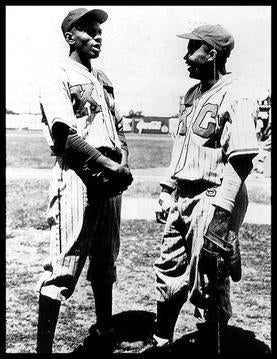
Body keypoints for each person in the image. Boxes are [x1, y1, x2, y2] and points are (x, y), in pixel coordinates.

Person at [142, 24, 259, 353]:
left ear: (212, 54)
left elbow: (242, 159)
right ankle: (161, 341)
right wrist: (167, 189)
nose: (186, 56)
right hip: (183, 196)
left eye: (193, 48)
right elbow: (180, 148)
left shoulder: (236, 92)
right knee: (167, 270)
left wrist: (221, 219)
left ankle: (213, 345)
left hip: (213, 197)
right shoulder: (192, 94)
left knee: (209, 279)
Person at [36, 8, 133, 353]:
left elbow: (118, 126)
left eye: (99, 31)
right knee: (63, 266)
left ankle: (104, 330)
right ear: (69, 37)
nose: (97, 37)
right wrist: (110, 165)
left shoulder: (103, 77)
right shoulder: (57, 73)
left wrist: (122, 157)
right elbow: (65, 136)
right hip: (78, 174)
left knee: (106, 260)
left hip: (108, 177)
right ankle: (43, 349)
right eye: (88, 31)